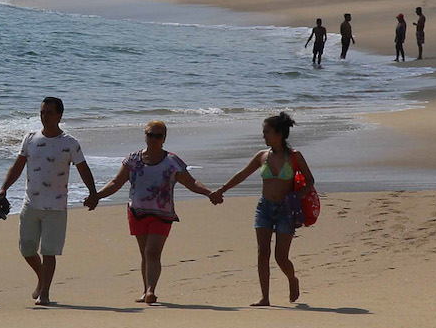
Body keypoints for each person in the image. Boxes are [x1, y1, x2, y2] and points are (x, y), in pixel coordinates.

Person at [85, 120, 221, 305]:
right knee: (145, 254)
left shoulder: (172, 162)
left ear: (164, 138)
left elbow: (191, 182)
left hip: (162, 214)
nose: (154, 139)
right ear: (145, 136)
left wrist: (209, 193)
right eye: (150, 135)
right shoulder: (132, 160)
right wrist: (97, 196)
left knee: (152, 252)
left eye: (158, 136)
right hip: (137, 212)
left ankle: (151, 290)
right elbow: (116, 182)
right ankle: (145, 290)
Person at [0, 97, 97, 306]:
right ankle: (42, 279)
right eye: (42, 112)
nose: (45, 116)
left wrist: (93, 192)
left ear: (60, 115)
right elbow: (17, 166)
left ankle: (45, 293)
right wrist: (4, 188)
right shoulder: (30, 138)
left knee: (49, 252)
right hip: (30, 203)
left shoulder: (69, 143)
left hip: (57, 206)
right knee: (27, 249)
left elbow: (83, 169)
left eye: (49, 112)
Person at [213, 112, 314, 307]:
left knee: (281, 256)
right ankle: (264, 297)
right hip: (264, 207)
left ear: (279, 133)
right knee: (262, 252)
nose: (263, 136)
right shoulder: (262, 156)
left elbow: (310, 181)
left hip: (286, 209)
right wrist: (222, 189)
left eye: (266, 132)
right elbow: (242, 174)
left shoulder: (295, 156)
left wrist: (297, 196)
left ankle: (292, 279)